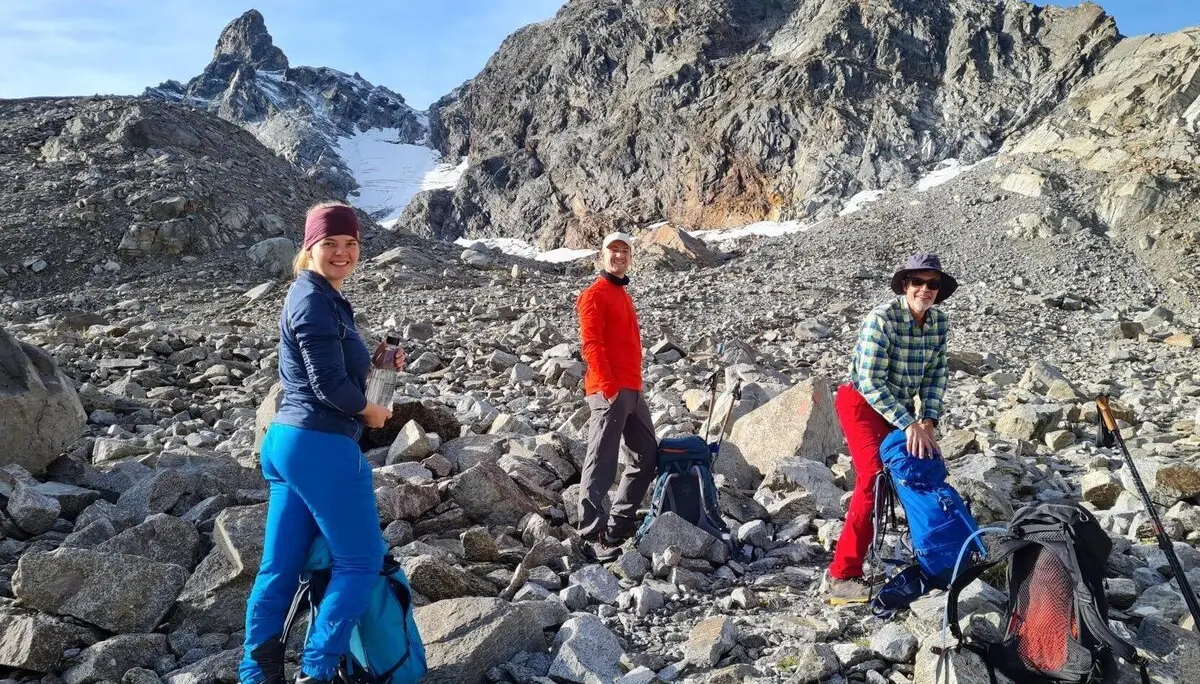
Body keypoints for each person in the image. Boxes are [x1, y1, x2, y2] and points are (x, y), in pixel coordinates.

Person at [238, 202, 404, 684]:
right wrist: (372, 411)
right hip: (320, 446)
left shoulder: (320, 297)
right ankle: (317, 666)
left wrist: (376, 369)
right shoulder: (313, 300)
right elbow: (328, 385)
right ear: (308, 249)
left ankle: (257, 672)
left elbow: (329, 373)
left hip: (289, 443)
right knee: (360, 559)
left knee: (280, 567)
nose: (342, 252)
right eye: (329, 243)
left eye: (350, 243)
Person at [826, 252, 957, 605]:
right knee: (873, 478)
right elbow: (869, 380)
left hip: (899, 409)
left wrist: (928, 419)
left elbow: (935, 375)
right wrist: (910, 423)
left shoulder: (939, 324)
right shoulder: (882, 318)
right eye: (918, 282)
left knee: (919, 467)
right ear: (905, 285)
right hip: (861, 403)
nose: (925, 289)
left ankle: (932, 554)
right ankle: (843, 574)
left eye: (932, 284)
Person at [575, 231, 658, 562]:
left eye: (625, 251)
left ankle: (618, 525)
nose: (619, 256)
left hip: (632, 390)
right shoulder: (594, 295)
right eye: (613, 250)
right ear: (602, 255)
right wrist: (609, 387)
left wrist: (631, 387)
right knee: (602, 460)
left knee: (646, 455)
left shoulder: (622, 294)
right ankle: (591, 534)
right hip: (609, 390)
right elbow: (591, 344)